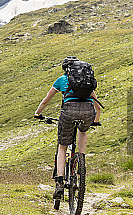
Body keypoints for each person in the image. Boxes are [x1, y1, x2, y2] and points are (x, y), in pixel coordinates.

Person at [34, 56, 102, 200]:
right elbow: (97, 106)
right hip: (88, 111)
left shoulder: (61, 80)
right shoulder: (85, 81)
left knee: (62, 147)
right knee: (83, 131)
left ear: (65, 69)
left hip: (68, 112)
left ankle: (59, 182)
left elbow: (46, 100)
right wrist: (95, 121)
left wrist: (38, 113)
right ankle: (81, 160)